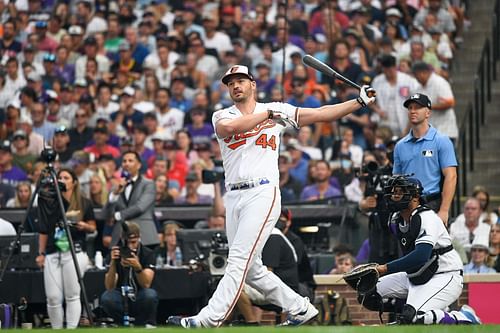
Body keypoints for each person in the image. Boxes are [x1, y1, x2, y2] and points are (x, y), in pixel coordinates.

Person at [167, 64, 375, 327]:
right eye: (231, 82)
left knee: (238, 260)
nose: (236, 86)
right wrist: (268, 112)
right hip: (234, 197)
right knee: (252, 270)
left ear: (253, 84)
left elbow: (321, 113)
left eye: (241, 80)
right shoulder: (223, 114)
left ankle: (207, 319)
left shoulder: (278, 110)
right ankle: (301, 308)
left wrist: (358, 102)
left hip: (263, 192)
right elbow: (228, 130)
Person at [360, 175, 481, 325]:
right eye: (393, 192)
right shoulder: (395, 219)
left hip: (444, 275)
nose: (395, 195)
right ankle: (413, 315)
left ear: (415, 197)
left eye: (400, 192)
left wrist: (384, 268)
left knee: (415, 318)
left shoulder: (427, 217)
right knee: (367, 293)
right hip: (417, 274)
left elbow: (421, 256)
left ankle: (463, 317)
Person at [35, 168, 95, 329]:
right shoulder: (49, 202)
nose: (61, 180)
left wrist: (84, 225)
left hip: (74, 250)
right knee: (53, 297)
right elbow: (43, 230)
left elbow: (93, 227)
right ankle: (56, 329)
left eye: (66, 177)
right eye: (59, 177)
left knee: (72, 294)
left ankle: (71, 329)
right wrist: (41, 253)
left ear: (74, 182)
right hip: (53, 250)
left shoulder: (83, 202)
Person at [392, 93, 457, 225]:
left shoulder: (441, 140)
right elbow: (396, 178)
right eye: (410, 108)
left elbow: (451, 176)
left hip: (431, 202)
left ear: (428, 112)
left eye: (417, 107)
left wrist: (444, 210)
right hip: (406, 204)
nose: (413, 111)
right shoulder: (400, 145)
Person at [101, 222, 158, 327]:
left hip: (140, 293)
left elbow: (146, 284)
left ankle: (141, 323)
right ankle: (121, 323)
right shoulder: (115, 253)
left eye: (133, 242)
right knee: (107, 298)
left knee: (150, 295)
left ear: (139, 238)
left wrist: (138, 268)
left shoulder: (147, 254)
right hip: (120, 293)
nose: (131, 246)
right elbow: (109, 286)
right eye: (127, 243)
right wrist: (113, 263)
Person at [101, 151, 158, 248]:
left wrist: (118, 215)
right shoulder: (116, 187)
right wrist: (115, 194)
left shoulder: (148, 184)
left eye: (130, 161)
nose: (126, 164)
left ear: (139, 165)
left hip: (145, 237)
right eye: (124, 161)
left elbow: (140, 207)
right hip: (120, 238)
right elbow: (106, 214)